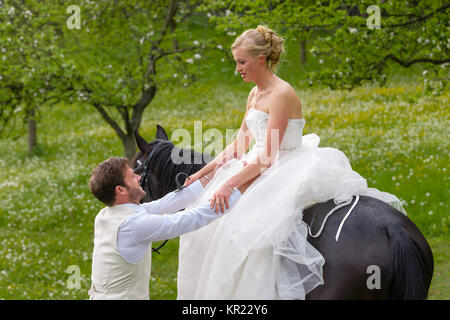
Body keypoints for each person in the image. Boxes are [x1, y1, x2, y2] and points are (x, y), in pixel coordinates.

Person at [177, 26, 405, 299]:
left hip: (280, 165)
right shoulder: (254, 94)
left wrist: (229, 185)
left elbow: (268, 156)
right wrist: (204, 172)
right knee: (205, 219)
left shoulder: (282, 93)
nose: (237, 69)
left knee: (241, 228)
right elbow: (239, 145)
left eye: (241, 62)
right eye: (236, 62)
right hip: (256, 162)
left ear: (261, 59)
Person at [87, 156, 245, 300]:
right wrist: (241, 185)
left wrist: (213, 174)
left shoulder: (107, 214)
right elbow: (195, 218)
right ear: (120, 190)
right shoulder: (134, 226)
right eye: (132, 177)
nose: (139, 176)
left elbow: (169, 202)